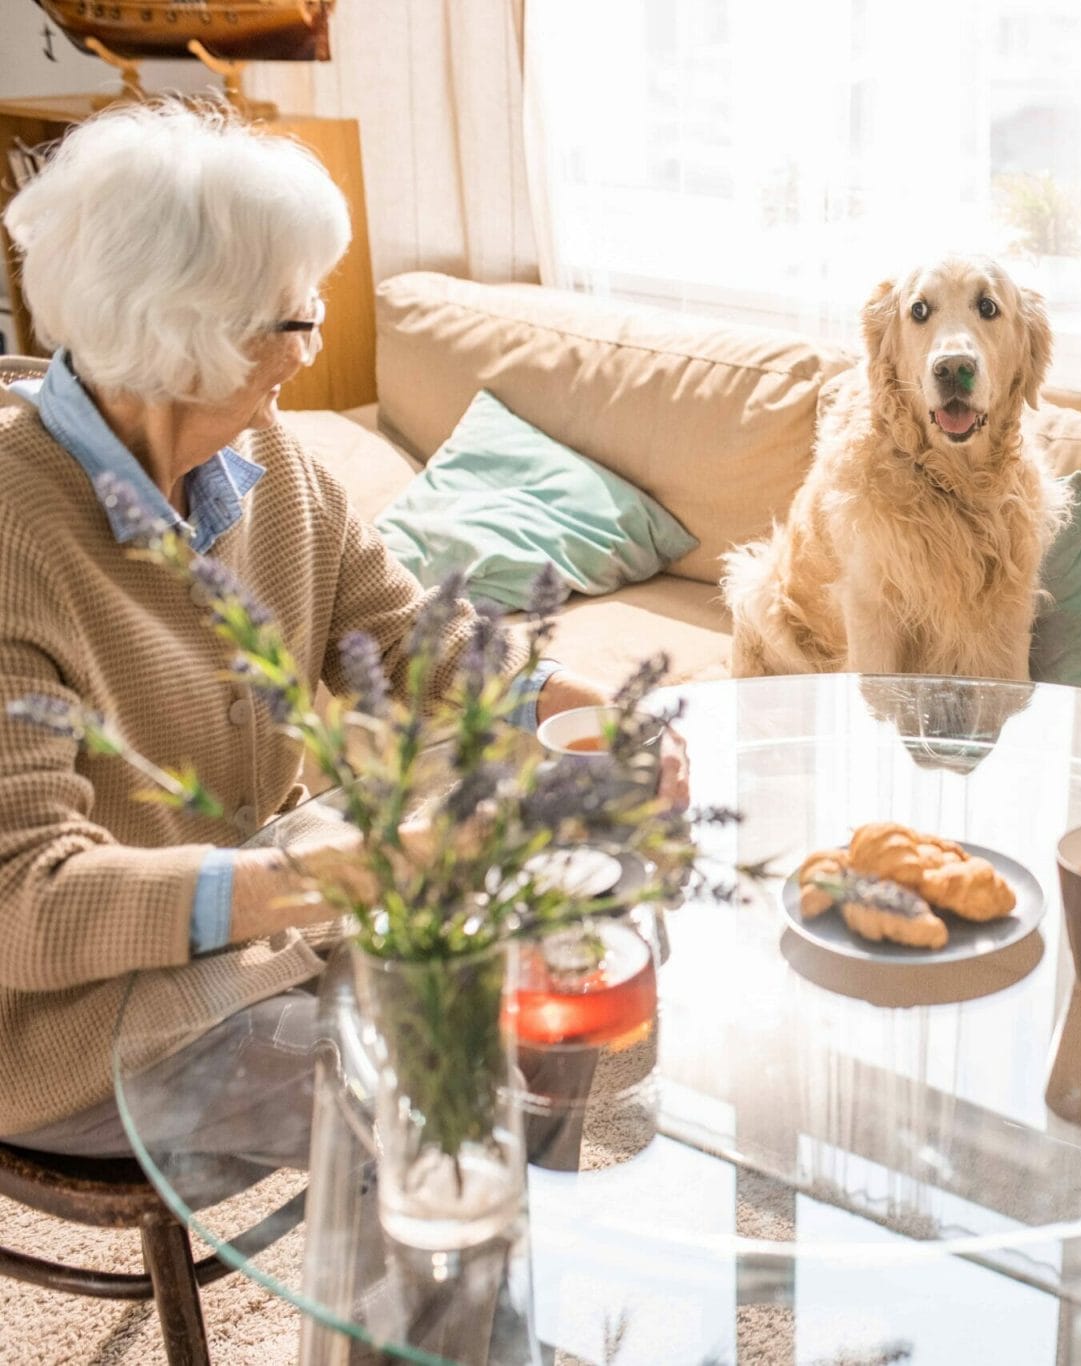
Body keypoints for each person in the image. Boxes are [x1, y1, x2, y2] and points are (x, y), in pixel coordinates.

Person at [0, 102, 683, 1165]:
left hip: (264, 922)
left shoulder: (264, 460)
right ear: (188, 335)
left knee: (554, 966)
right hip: (76, 1029)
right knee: (450, 1092)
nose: (308, 347)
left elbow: (410, 637)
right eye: (293, 318)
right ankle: (452, 1303)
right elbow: (24, 904)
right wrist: (345, 874)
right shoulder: (14, 539)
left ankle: (468, 1290)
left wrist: (583, 706)